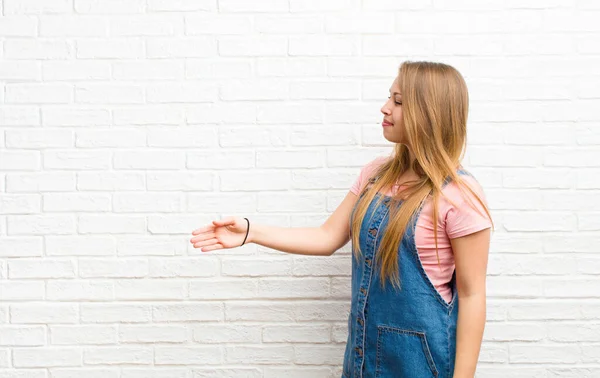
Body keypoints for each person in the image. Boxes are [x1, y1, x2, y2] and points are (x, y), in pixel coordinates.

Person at [190, 61, 493, 378]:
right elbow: (327, 237)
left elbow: (472, 295)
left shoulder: (459, 194)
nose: (385, 108)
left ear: (428, 112)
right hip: (363, 360)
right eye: (389, 98)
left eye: (398, 101)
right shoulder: (376, 174)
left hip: (421, 366)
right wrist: (251, 232)